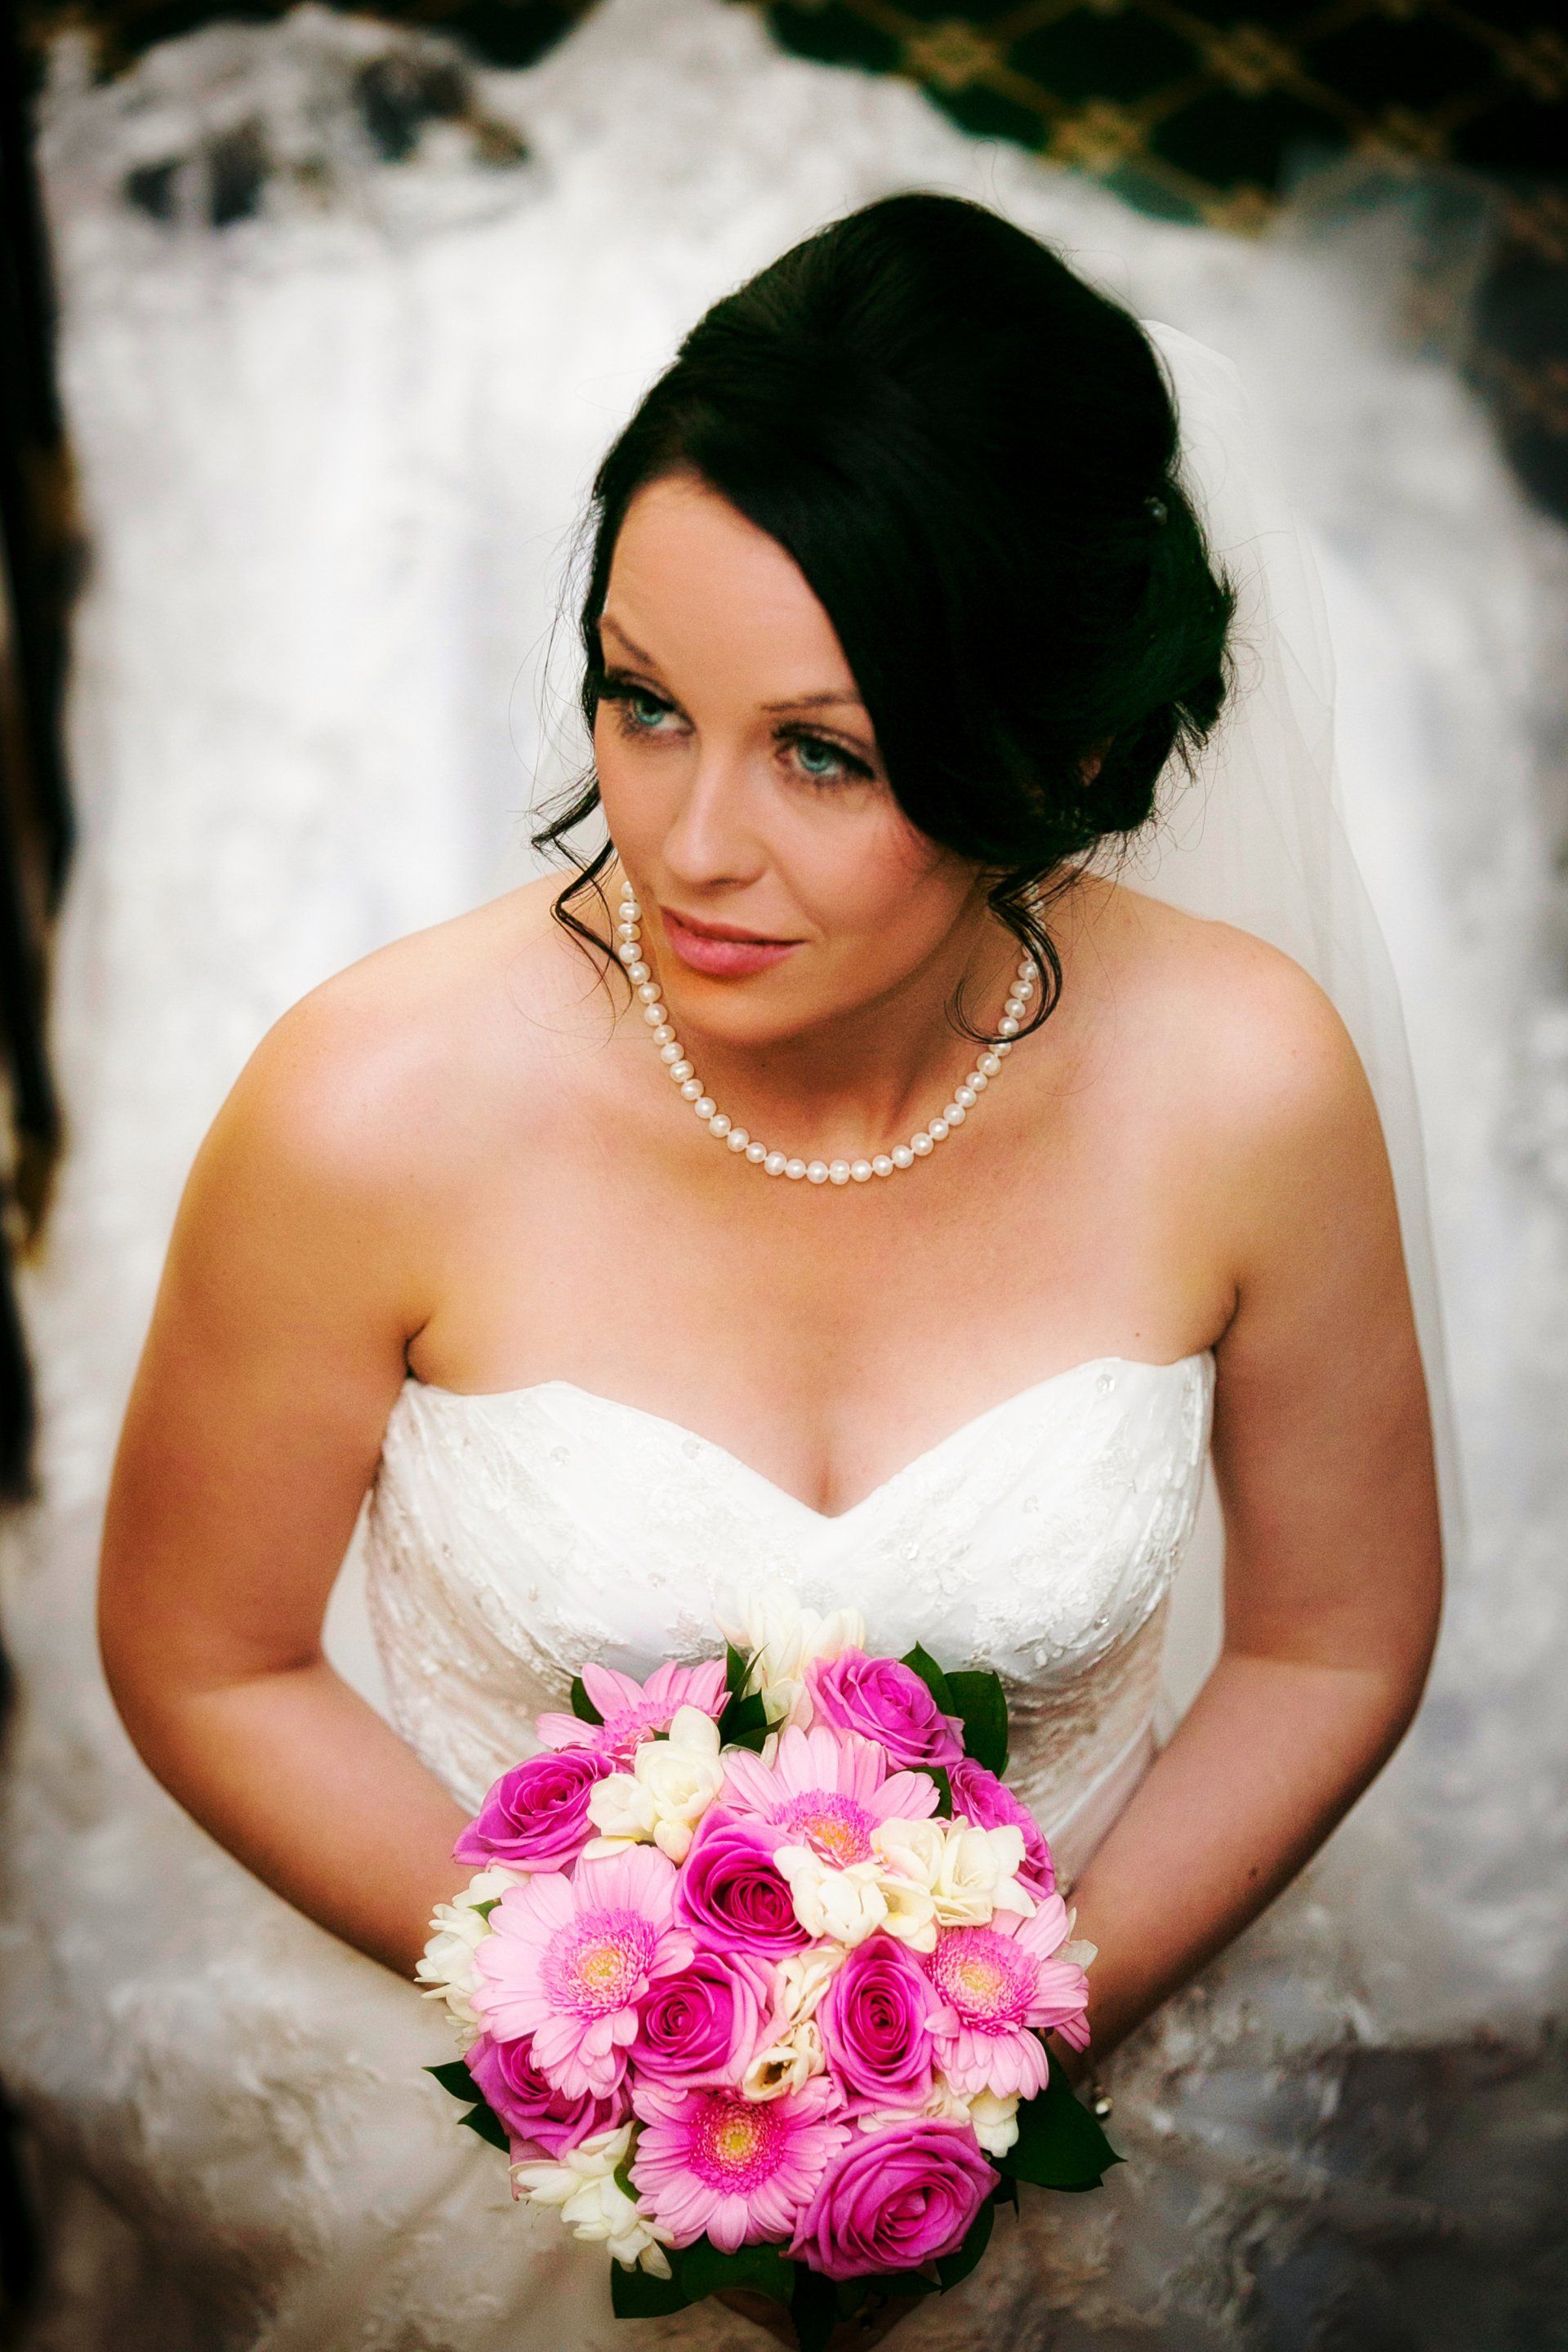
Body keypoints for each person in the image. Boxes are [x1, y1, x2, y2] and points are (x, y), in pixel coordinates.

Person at [95, 192, 1444, 2349]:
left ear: (1064, 756)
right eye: (644, 704)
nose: (691, 843)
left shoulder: (1243, 1083)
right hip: (504, 2137)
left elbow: (1337, 1639)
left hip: (1060, 2119)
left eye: (823, 752)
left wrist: (1003, 2047)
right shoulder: (372, 1111)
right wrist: (641, 2049)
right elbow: (209, 1659)